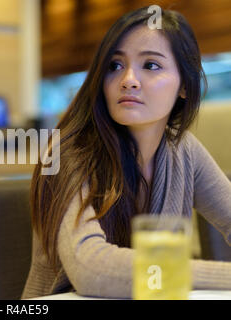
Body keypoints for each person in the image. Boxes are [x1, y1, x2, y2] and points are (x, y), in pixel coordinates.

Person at [22, 7, 231, 299]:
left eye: (151, 65)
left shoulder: (183, 151)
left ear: (184, 84)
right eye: (115, 65)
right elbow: (90, 268)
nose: (128, 79)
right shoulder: (67, 152)